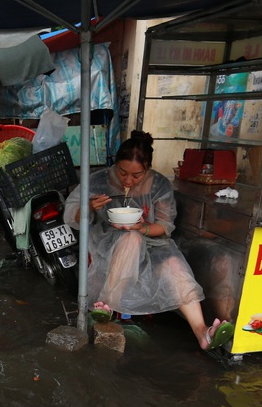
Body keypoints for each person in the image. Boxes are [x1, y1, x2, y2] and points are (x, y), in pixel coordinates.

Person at [64, 130, 233, 350]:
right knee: (131, 239)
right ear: (115, 165)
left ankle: (203, 333)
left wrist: (142, 227)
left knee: (174, 264)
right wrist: (88, 207)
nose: (128, 180)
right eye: (123, 173)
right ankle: (106, 304)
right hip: (109, 241)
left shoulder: (159, 185)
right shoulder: (98, 181)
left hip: (153, 242)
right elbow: (71, 215)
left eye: (137, 176)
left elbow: (164, 226)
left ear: (148, 169)